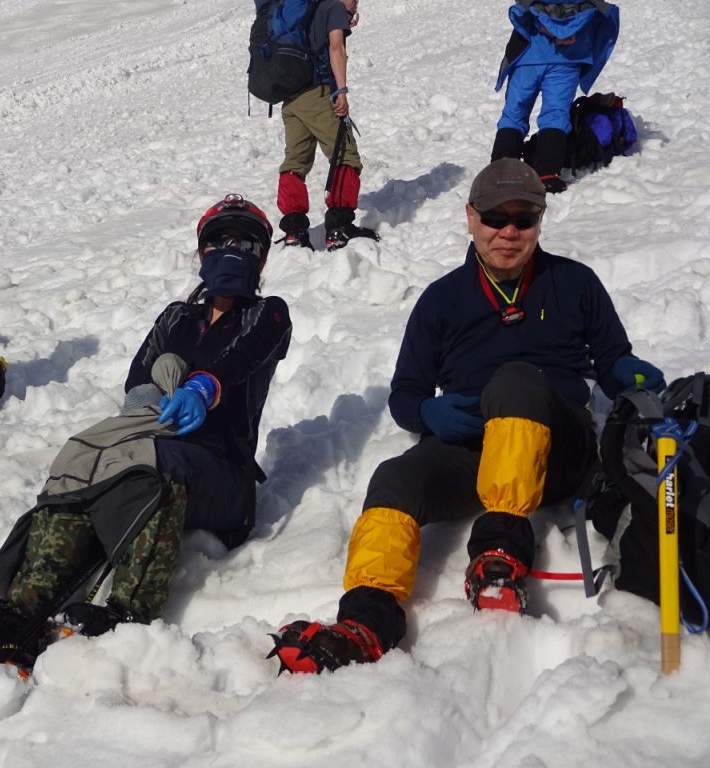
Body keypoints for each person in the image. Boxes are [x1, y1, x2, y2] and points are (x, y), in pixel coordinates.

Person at [268, 159, 664, 673]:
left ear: (540, 222)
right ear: (470, 218)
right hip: (473, 446)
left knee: (515, 380)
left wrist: (629, 373)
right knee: (396, 476)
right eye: (495, 217)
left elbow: (611, 361)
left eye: (524, 219)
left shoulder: (576, 283)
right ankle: (365, 622)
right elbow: (405, 393)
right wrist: (428, 412)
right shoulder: (441, 301)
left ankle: (499, 559)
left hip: (555, 448)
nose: (509, 231)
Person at [0, 195, 292, 674]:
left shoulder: (268, 315)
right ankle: (25, 606)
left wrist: (203, 384)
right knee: (84, 465)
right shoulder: (176, 318)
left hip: (223, 474)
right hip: (153, 444)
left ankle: (130, 612)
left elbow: (247, 356)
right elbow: (138, 379)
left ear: (261, 255)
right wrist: (149, 400)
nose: (231, 249)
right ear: (202, 252)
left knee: (151, 469)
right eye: (220, 240)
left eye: (245, 242)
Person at [275, 0, 378, 251]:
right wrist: (341, 90)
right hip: (318, 93)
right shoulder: (332, 8)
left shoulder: (306, 10)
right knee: (345, 155)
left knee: (295, 163)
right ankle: (339, 227)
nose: (356, 4)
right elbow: (335, 46)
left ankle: (294, 232)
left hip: (291, 99)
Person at [490, 0, 620, 193]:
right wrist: (568, 30)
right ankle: (547, 174)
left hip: (529, 54)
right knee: (556, 114)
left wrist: (544, 26)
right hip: (568, 58)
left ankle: (501, 173)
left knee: (514, 114)